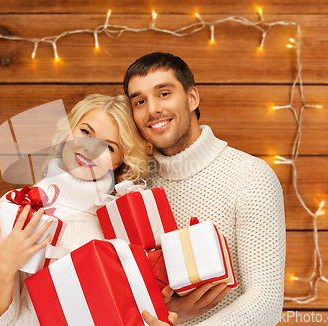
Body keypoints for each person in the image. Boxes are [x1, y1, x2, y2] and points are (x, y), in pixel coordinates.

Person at [0, 94, 173, 325]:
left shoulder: (124, 221)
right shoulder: (20, 205)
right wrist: (3, 269)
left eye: (108, 147)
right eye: (85, 132)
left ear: (119, 161)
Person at [122, 52, 286, 326]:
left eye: (163, 93)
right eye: (140, 101)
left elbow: (265, 301)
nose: (152, 109)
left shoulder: (251, 177)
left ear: (192, 98)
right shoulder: (135, 184)